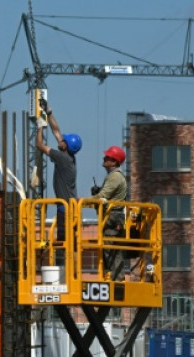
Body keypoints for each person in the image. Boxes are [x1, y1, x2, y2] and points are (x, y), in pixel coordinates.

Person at [35, 99, 81, 242]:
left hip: (65, 209)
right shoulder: (69, 156)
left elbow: (40, 145)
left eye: (63, 141)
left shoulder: (61, 157)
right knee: (69, 241)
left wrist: (41, 126)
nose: (60, 140)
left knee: (65, 242)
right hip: (71, 206)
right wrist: (48, 113)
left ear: (65, 146)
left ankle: (70, 263)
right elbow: (56, 131)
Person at [91, 145, 129, 280]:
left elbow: (104, 195)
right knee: (109, 248)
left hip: (113, 217)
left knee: (112, 249)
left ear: (114, 161)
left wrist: (84, 201)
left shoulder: (115, 177)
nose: (104, 158)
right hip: (112, 216)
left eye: (107, 157)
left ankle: (117, 279)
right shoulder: (113, 176)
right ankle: (113, 276)